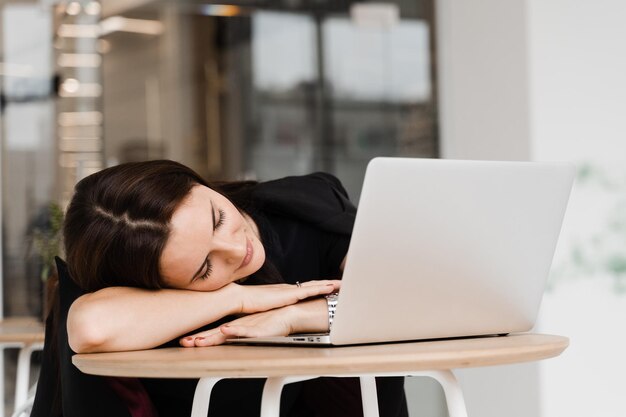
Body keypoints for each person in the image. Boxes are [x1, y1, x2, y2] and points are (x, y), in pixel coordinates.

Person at [32, 160, 408, 417]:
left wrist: (296, 316)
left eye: (217, 219)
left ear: (197, 181)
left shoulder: (304, 208)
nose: (236, 250)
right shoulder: (139, 297)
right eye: (205, 268)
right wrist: (238, 297)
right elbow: (90, 327)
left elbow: (405, 297)